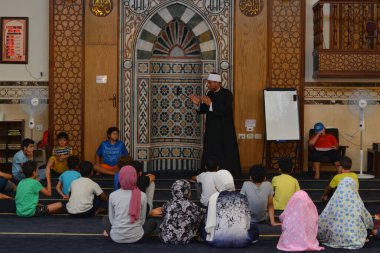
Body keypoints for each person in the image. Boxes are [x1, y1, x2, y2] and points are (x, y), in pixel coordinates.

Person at [189, 73, 241, 178]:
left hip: (224, 130)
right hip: (212, 130)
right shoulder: (210, 93)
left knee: (224, 152)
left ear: (217, 83)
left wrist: (211, 104)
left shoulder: (227, 94)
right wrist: (196, 104)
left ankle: (226, 175)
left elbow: (227, 110)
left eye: (209, 83)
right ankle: (209, 173)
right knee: (211, 150)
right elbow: (203, 110)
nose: (208, 85)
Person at [203, 170, 259, 247]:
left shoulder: (213, 199)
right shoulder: (242, 197)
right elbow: (248, 222)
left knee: (202, 225)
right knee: (253, 222)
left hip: (216, 241)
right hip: (242, 242)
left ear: (217, 184)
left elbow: (207, 222)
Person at [318, 177, 374, 249]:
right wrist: (371, 227)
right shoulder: (356, 201)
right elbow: (367, 218)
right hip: (353, 238)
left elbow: (324, 218)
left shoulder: (334, 201)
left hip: (334, 238)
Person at [147, 179, 205, 244]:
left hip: (166, 238)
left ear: (173, 191)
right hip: (185, 239)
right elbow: (202, 217)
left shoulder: (167, 204)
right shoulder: (193, 206)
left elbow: (154, 212)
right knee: (199, 218)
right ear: (188, 192)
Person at [103, 166, 147, 243]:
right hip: (136, 237)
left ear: (120, 177)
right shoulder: (142, 195)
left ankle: (111, 233)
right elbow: (142, 219)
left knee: (105, 219)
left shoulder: (113, 195)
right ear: (135, 177)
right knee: (152, 223)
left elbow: (111, 219)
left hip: (116, 237)